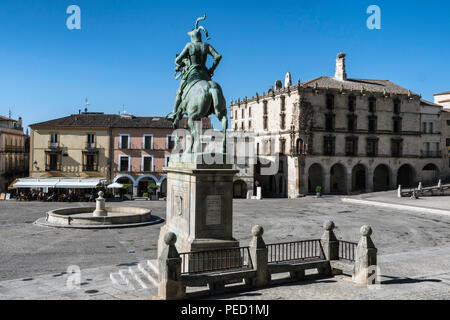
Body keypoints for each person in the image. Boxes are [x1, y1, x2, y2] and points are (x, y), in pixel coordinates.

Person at [166, 14, 222, 128]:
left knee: (179, 92)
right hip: (205, 75)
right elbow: (218, 57)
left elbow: (178, 59)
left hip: (192, 74)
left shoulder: (189, 46)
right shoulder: (206, 45)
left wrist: (178, 61)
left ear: (192, 37)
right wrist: (212, 69)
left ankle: (174, 112)